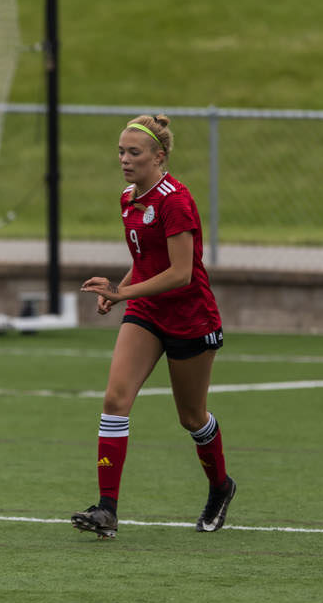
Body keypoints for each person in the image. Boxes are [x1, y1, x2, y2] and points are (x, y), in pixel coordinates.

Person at [73, 113, 235, 538]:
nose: (125, 160)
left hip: (190, 318)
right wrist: (117, 289)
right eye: (121, 152)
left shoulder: (176, 201)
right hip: (147, 313)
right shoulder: (129, 198)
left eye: (134, 153)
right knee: (115, 400)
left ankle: (221, 487)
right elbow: (146, 262)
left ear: (159, 157)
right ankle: (106, 510)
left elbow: (181, 273)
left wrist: (124, 293)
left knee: (191, 418)